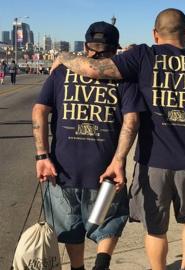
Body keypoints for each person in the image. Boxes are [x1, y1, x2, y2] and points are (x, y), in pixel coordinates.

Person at [50, 8, 185, 270]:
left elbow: (94, 69)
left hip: (154, 160)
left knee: (155, 225)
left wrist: (63, 56)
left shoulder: (143, 56)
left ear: (155, 34)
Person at [32, 21, 144, 270]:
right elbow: (132, 120)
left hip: (62, 169)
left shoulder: (61, 72)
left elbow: (39, 110)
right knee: (107, 220)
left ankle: (78, 267)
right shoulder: (124, 78)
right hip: (104, 171)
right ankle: (102, 263)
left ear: (85, 46)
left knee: (71, 224)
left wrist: (42, 155)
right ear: (115, 51)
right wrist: (119, 160)